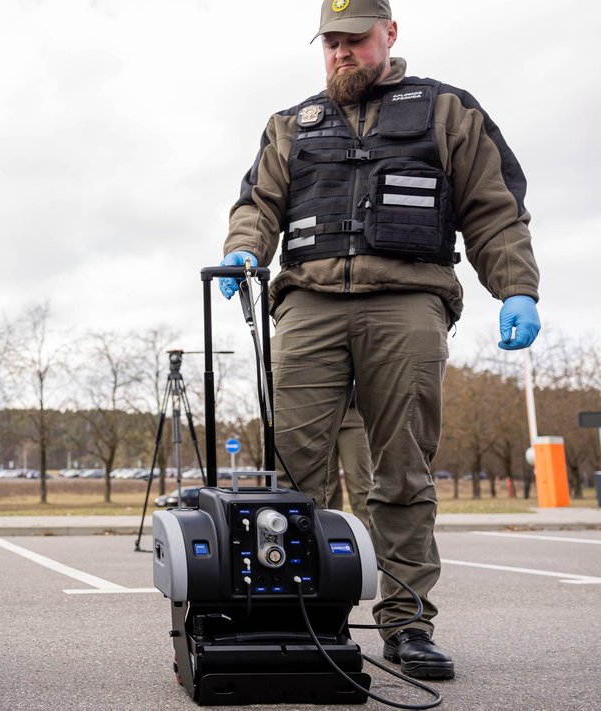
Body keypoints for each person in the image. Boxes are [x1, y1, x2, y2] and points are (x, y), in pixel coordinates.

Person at [218, 0, 540, 680]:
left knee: (401, 468)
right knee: (295, 473)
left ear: (389, 35)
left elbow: (494, 205)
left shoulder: (448, 110)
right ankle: (304, 611)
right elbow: (258, 203)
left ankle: (407, 622)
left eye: (354, 39)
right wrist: (245, 250)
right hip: (308, 305)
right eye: (330, 42)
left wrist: (516, 286)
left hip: (408, 302)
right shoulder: (291, 124)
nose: (341, 52)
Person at [326, 392, 371, 530]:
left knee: (359, 483)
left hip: (354, 417)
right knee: (327, 486)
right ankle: (330, 533)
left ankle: (369, 538)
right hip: (324, 417)